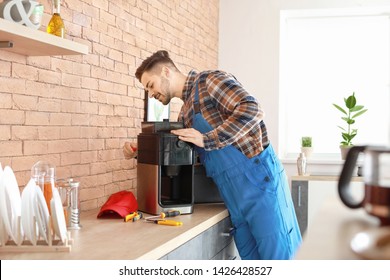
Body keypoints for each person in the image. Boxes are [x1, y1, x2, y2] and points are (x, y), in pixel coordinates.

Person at [123, 50, 302, 260]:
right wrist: (140, 151)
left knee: (280, 257)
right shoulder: (185, 112)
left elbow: (252, 109)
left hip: (259, 185)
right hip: (234, 198)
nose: (151, 94)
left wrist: (205, 139)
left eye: (150, 85)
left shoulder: (209, 81)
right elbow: (192, 155)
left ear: (165, 71)